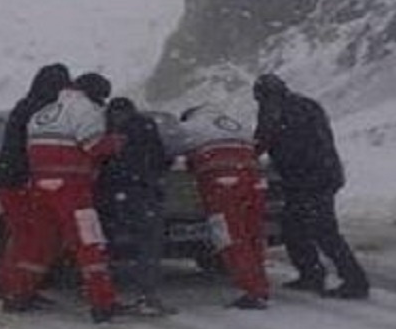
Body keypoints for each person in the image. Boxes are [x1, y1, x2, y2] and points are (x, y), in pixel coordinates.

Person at [8, 77, 125, 322]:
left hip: (40, 186)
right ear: (95, 94)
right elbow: (93, 146)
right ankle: (103, 303)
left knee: (38, 244)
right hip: (72, 189)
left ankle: (19, 294)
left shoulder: (43, 112)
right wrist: (116, 143)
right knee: (89, 243)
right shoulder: (86, 109)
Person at [253, 73, 370, 299]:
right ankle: (312, 274)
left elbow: (263, 141)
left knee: (321, 231)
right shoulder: (307, 105)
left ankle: (354, 281)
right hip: (322, 174)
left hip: (308, 179)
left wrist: (245, 155)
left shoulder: (274, 110)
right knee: (295, 227)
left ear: (262, 95)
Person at [0, 63, 71, 307]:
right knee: (37, 239)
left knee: (20, 236)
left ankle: (7, 284)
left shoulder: (23, 106)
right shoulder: (44, 112)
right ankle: (20, 291)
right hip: (24, 181)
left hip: (8, 179)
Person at [177, 104, 270, 310]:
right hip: (254, 181)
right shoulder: (237, 125)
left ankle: (253, 291)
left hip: (224, 184)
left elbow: (174, 154)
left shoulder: (190, 127)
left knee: (231, 237)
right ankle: (261, 284)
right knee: (253, 234)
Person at [99, 97, 174, 316]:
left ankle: (104, 293)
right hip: (143, 193)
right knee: (148, 245)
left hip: (110, 196)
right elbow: (162, 157)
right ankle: (147, 295)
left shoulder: (104, 129)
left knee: (107, 244)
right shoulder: (146, 126)